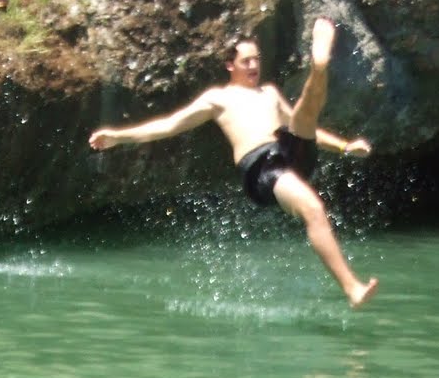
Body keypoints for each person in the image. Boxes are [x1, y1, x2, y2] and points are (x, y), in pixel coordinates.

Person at [88, 17, 380, 308]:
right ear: (230, 65)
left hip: (291, 152)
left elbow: (304, 128)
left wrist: (344, 146)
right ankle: (352, 288)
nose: (253, 66)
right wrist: (118, 136)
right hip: (263, 168)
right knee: (313, 209)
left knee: (306, 113)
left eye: (256, 60)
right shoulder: (218, 99)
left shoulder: (269, 93)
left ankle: (319, 66)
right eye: (245, 61)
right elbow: (168, 125)